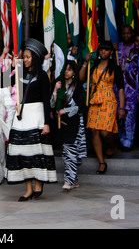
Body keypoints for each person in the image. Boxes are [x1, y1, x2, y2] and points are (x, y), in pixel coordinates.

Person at [5, 38, 56, 201]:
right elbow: (3, 81)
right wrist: (12, 68)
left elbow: (47, 101)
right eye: (24, 57)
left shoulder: (42, 76)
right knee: (22, 153)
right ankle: (28, 189)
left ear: (34, 57)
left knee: (36, 153)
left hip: (37, 116)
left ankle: (39, 183)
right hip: (22, 116)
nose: (25, 59)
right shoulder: (19, 73)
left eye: (27, 57)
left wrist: (47, 123)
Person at [80, 40, 126, 174]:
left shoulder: (115, 68)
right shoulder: (93, 66)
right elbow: (82, 78)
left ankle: (112, 145)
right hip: (95, 101)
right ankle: (101, 162)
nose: (103, 52)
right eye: (101, 49)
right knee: (94, 131)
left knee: (105, 132)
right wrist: (85, 62)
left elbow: (121, 90)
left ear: (111, 52)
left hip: (109, 101)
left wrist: (122, 108)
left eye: (106, 49)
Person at [116, 26, 139, 151]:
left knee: (130, 116)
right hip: (116, 89)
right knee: (117, 114)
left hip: (132, 90)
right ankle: (118, 139)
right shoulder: (116, 48)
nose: (126, 35)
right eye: (124, 33)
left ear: (132, 34)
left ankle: (128, 141)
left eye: (129, 33)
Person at [51, 60, 86, 189]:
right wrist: (55, 90)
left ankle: (68, 181)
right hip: (61, 123)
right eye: (65, 69)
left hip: (73, 122)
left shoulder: (78, 86)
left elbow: (80, 106)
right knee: (66, 152)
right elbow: (52, 105)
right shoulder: (59, 85)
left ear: (74, 72)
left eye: (70, 69)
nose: (66, 71)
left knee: (69, 149)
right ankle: (74, 180)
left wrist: (65, 110)